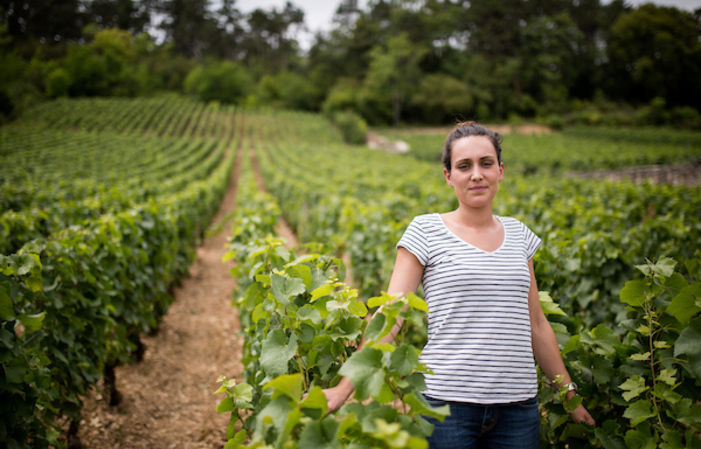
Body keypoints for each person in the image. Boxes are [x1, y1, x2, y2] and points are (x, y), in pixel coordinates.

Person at [322, 121, 595, 448]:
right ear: (448, 175)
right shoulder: (425, 231)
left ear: (501, 170)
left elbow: (536, 325)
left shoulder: (520, 235)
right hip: (447, 408)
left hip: (518, 409)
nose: (476, 174)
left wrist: (569, 396)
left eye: (486, 163)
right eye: (464, 166)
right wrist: (343, 389)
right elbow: (390, 315)